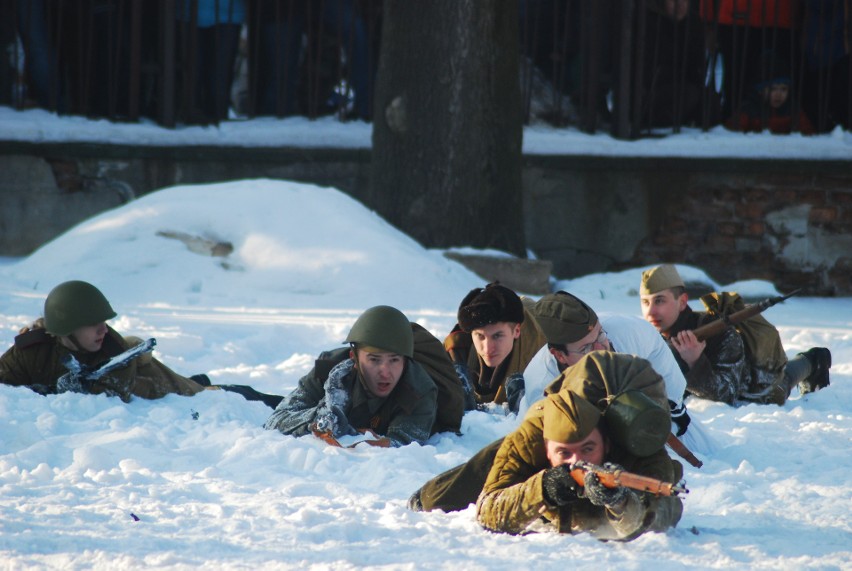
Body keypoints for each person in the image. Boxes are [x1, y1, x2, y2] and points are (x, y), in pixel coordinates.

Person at [476, 352, 684, 540]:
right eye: (564, 452)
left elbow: (661, 515)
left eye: (588, 449)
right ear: (546, 447)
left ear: (607, 442)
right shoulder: (531, 438)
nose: (577, 461)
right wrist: (544, 489)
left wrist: (620, 503)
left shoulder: (639, 444)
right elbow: (488, 510)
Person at [0, 280, 280, 406]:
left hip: (154, 384)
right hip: (143, 387)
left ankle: (274, 400)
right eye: (93, 324)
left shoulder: (114, 349)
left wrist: (79, 389)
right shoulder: (31, 351)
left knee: (213, 395)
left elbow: (114, 393)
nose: (103, 330)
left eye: (104, 323)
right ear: (68, 329)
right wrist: (44, 389)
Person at [520, 291, 707, 451]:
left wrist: (666, 412)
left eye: (600, 335)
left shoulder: (630, 332)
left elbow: (671, 382)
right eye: (586, 348)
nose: (601, 349)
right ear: (559, 355)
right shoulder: (542, 386)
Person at [264, 305, 460, 447]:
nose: (385, 371)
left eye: (394, 360)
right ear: (354, 358)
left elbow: (401, 447)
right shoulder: (328, 370)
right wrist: (319, 418)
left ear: (406, 361)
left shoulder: (420, 390)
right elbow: (277, 419)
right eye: (374, 360)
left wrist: (363, 437)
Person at [639, 264, 832, 406]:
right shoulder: (651, 338)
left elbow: (726, 395)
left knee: (785, 379)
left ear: (682, 302)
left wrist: (695, 363)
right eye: (646, 303)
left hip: (757, 392)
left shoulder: (720, 333)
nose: (651, 312)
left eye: (659, 301)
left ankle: (814, 359)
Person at [444, 282, 547, 413]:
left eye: (497, 336)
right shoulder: (455, 351)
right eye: (480, 336)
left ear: (516, 331)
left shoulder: (542, 350)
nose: (487, 349)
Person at [642, 0, 709, 128]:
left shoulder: (693, 23)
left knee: (709, 99)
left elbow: (697, 64)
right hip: (656, 88)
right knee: (688, 95)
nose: (680, 4)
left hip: (685, 85)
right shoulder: (651, 23)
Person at [177, 0, 246, 123]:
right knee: (199, 73)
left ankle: (209, 115)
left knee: (213, 75)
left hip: (225, 12)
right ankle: (201, 115)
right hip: (193, 11)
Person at [724, 53, 816, 135]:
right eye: (773, 89)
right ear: (760, 90)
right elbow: (732, 134)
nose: (778, 94)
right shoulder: (749, 109)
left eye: (784, 89)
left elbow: (808, 134)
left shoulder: (793, 109)